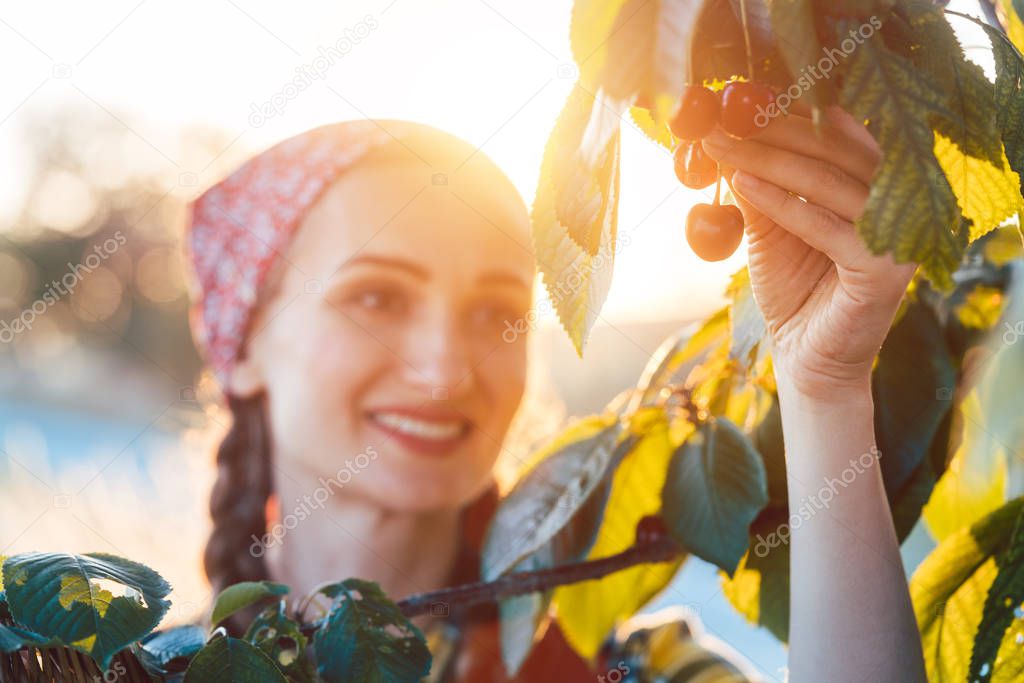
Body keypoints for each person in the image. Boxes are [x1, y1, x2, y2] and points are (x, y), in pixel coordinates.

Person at [183, 107, 925, 681]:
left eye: (496, 314)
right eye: (376, 298)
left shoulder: (633, 668)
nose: (446, 369)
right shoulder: (119, 666)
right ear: (244, 344)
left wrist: (823, 390)